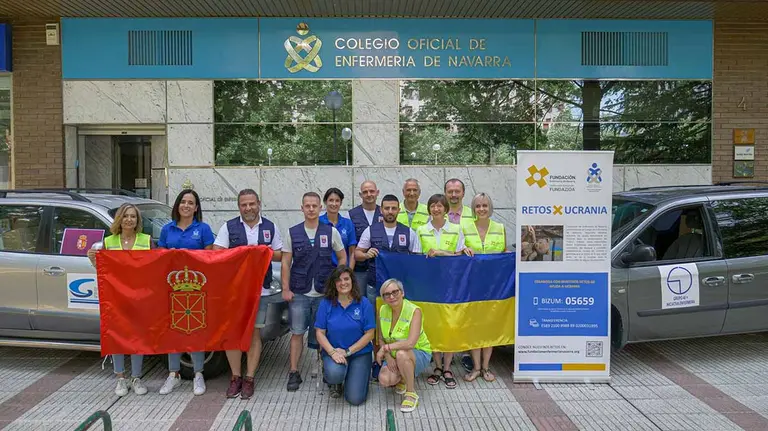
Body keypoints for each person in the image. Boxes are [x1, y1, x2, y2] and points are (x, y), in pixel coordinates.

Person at [212, 189, 283, 399]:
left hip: (260, 291)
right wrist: (242, 252)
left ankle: (250, 378)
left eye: (252, 204)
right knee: (233, 334)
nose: (248, 208)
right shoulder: (229, 227)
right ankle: (235, 377)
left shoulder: (270, 227)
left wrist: (263, 251)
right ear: (239, 207)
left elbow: (280, 254)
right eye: (244, 205)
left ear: (258, 204)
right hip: (234, 291)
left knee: (254, 334)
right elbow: (216, 251)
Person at [282, 191, 347, 392]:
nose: (311, 209)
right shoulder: (292, 232)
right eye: (307, 206)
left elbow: (343, 257)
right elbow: (285, 262)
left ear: (320, 208)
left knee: (324, 333)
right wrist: (285, 288)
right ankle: (294, 371)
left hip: (323, 293)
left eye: (314, 206)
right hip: (299, 292)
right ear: (302, 208)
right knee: (297, 333)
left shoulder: (331, 232)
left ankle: (326, 371)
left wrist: (337, 282)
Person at [87, 203, 152, 397]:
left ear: (137, 220)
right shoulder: (109, 242)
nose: (129, 219)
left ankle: (136, 378)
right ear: (119, 219)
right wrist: (93, 260)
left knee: (138, 337)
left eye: (133, 216)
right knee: (117, 337)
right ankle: (121, 378)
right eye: (125, 216)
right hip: (116, 298)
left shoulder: (146, 240)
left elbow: (154, 268)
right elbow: (104, 271)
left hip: (139, 298)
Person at [157, 189, 215, 396]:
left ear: (196, 207)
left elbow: (210, 258)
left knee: (196, 329)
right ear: (177, 205)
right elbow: (159, 258)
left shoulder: (204, 229)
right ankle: (173, 374)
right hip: (172, 288)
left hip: (196, 289)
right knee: (173, 331)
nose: (186, 206)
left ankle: (198, 374)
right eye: (183, 202)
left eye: (191, 203)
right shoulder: (167, 229)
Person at [414, 193, 473, 389]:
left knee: (449, 326)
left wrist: (441, 253)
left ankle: (448, 368)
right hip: (429, 287)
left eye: (440, 206)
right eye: (433, 205)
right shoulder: (421, 230)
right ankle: (437, 367)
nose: (436, 209)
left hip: (451, 286)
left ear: (446, 209)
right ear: (429, 209)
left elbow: (459, 256)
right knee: (433, 326)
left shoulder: (456, 229)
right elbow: (416, 258)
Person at [460, 193, 507, 383]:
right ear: (473, 209)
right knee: (474, 327)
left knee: (489, 327)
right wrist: (463, 250)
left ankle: (486, 367)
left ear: (490, 208)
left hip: (494, 287)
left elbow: (504, 253)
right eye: (478, 206)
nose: (481, 209)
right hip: (472, 286)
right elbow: (459, 253)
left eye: (485, 206)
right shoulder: (464, 227)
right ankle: (476, 368)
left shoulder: (500, 228)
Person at [314, 266, 375, 405]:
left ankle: (356, 375)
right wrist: (332, 352)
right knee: (335, 374)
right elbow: (320, 333)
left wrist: (348, 351)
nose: (343, 283)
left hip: (359, 353)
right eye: (339, 280)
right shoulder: (326, 304)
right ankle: (335, 379)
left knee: (355, 399)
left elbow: (370, 334)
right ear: (334, 283)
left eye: (346, 279)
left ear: (352, 281)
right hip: (334, 352)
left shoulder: (364, 303)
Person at [376, 279, 432, 413]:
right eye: (387, 294)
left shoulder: (414, 311)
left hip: (418, 351)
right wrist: (388, 357)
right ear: (383, 298)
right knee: (385, 379)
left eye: (395, 292)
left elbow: (410, 343)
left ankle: (411, 393)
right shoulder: (382, 310)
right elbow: (381, 338)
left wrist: (385, 349)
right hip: (393, 353)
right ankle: (403, 378)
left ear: (402, 293)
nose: (391, 296)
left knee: (402, 354)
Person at [354, 194, 419, 306]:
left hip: (400, 286)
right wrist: (366, 255)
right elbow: (357, 254)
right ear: (381, 210)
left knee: (400, 315)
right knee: (375, 315)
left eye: (393, 208)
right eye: (387, 208)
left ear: (399, 210)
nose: (390, 211)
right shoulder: (370, 230)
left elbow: (417, 258)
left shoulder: (409, 232)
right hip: (375, 285)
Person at [348, 180, 381, 291]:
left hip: (379, 270)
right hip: (359, 270)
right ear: (360, 194)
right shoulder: (351, 215)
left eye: (372, 191)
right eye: (365, 192)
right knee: (358, 298)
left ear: (377, 192)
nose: (369, 194)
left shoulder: (384, 213)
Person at [320, 187, 358, 273]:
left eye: (337, 201)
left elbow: (352, 252)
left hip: (342, 272)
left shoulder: (348, 223)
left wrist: (349, 273)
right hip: (322, 273)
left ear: (341, 203)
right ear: (325, 202)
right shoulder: (318, 222)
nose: (334, 204)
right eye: (331, 200)